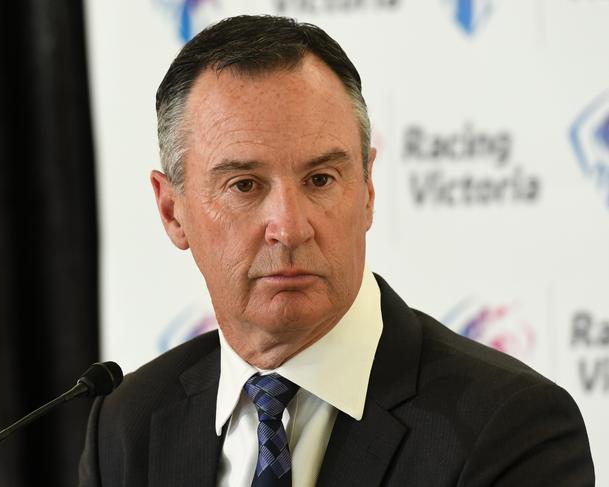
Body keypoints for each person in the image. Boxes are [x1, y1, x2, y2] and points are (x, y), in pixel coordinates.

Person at [79, 15, 594, 486]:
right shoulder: (128, 427)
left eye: (321, 179)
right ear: (173, 211)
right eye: (244, 185)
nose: (289, 226)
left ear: (367, 191)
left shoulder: (510, 425)